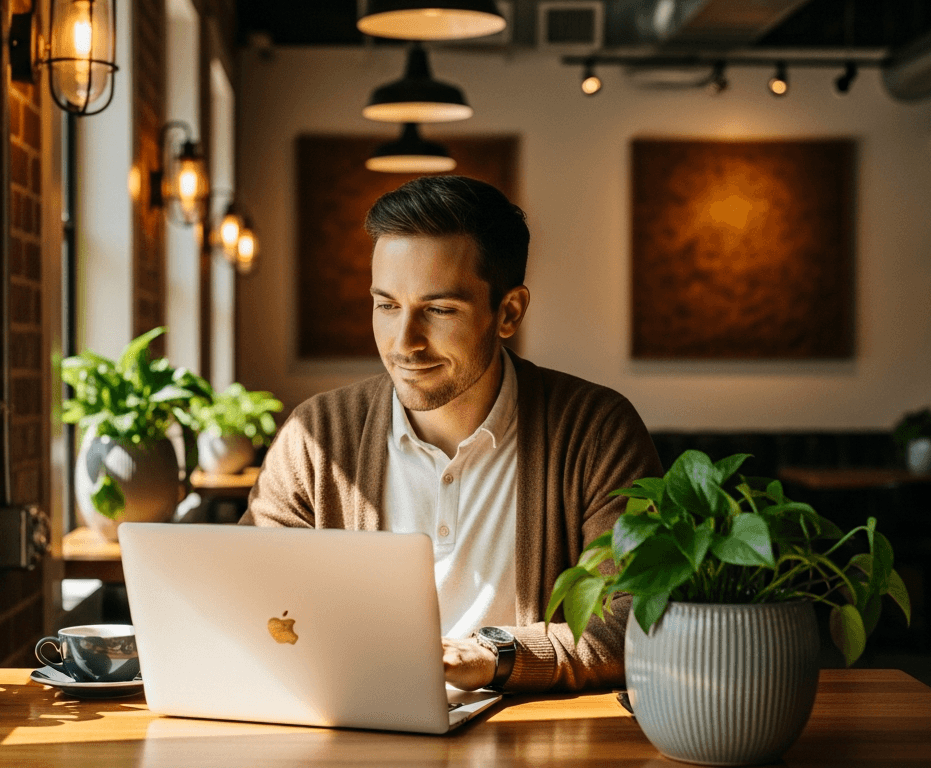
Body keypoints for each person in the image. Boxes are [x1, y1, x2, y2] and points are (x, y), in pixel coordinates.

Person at [241, 176, 661, 693]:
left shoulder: (595, 431)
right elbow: (246, 595)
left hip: (525, 728)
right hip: (354, 723)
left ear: (508, 312)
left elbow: (636, 615)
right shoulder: (316, 436)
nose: (404, 343)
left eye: (438, 310)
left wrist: (494, 655)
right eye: (387, 305)